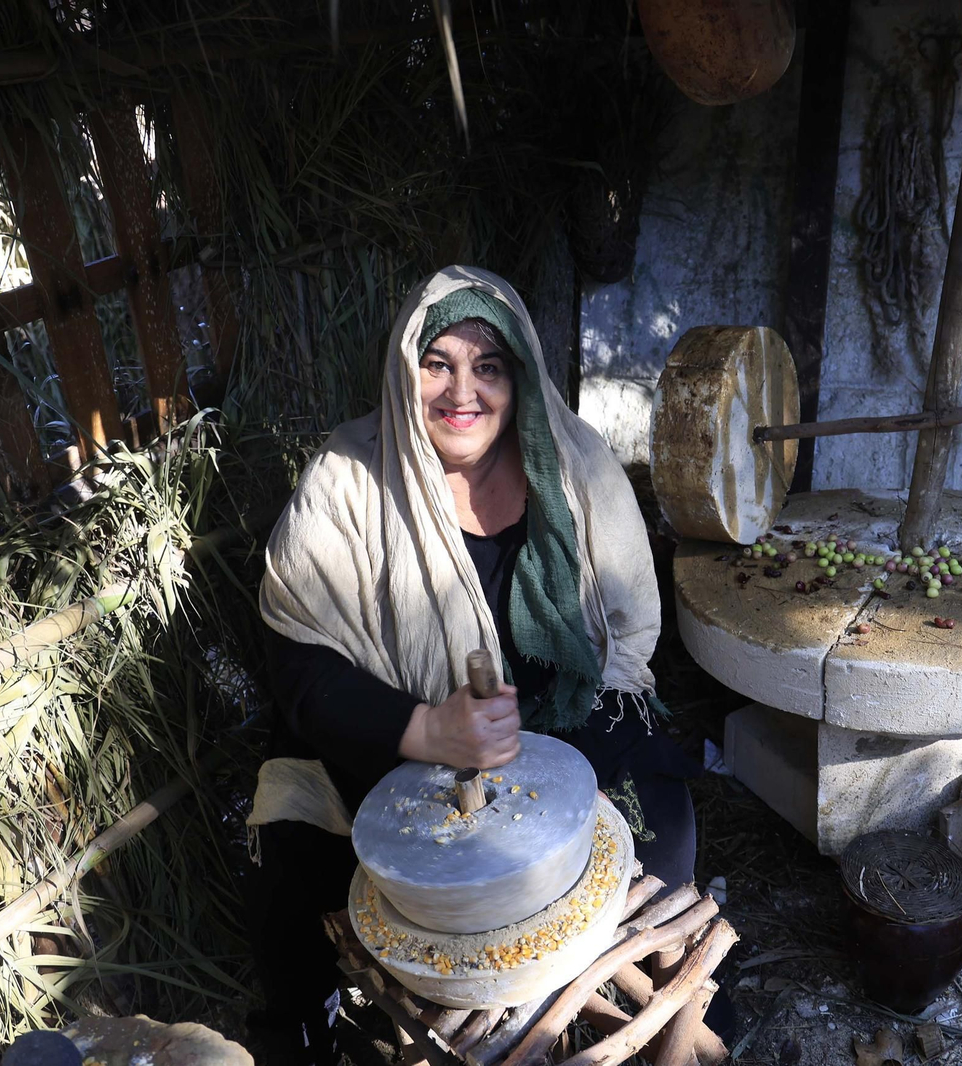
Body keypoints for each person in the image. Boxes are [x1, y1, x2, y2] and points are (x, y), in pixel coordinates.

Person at [248, 266, 706, 1062]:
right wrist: (428, 729)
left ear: (518, 375)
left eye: (487, 366)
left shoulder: (577, 467)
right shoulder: (348, 480)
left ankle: (642, 1032)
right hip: (402, 757)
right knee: (313, 877)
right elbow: (299, 669)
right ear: (405, 372)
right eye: (438, 364)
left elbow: (625, 646)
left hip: (573, 729)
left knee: (655, 846)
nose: (462, 392)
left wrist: (570, 777)